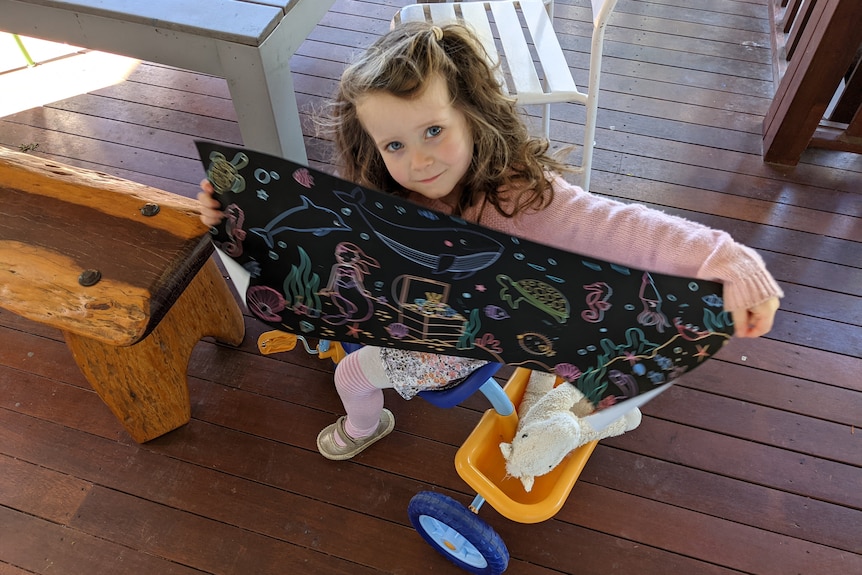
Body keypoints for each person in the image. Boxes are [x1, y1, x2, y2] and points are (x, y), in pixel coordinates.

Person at [198, 22, 782, 461]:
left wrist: (727, 258)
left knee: (348, 376)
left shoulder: (518, 197)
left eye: (433, 131)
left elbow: (618, 225)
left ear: (472, 116)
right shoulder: (383, 191)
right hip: (395, 308)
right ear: (371, 145)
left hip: (444, 347)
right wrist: (228, 216)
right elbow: (304, 230)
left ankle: (364, 427)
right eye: (394, 145)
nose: (419, 160)